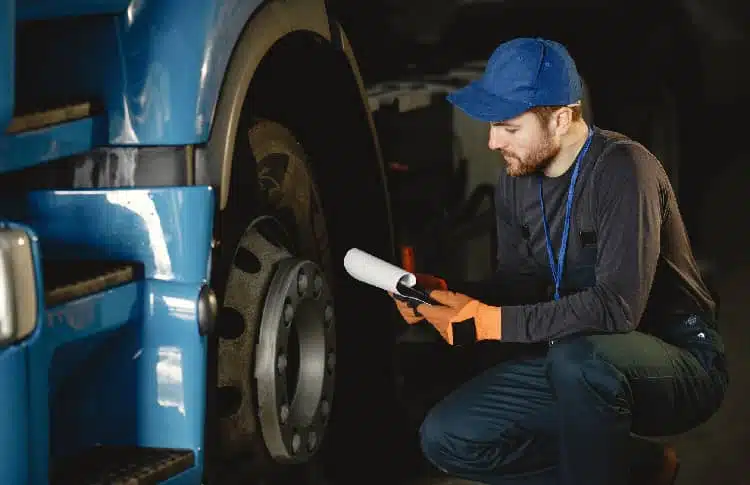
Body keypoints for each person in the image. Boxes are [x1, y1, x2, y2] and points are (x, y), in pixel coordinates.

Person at [391, 37, 728, 485]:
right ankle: (634, 467)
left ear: (563, 118)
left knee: (578, 361)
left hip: (676, 360)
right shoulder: (516, 180)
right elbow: (518, 285)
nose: (493, 142)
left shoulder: (625, 170)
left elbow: (616, 308)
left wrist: (489, 322)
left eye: (509, 128)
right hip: (575, 361)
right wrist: (448, 294)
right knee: (447, 435)